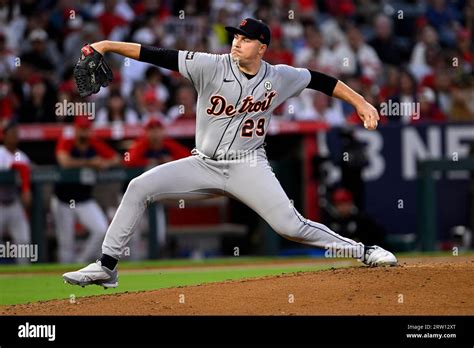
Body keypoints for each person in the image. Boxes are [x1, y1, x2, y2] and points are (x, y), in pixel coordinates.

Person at [64, 18, 397, 289]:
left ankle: (363, 251)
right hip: (203, 163)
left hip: (248, 165)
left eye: (246, 38)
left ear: (262, 47)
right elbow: (156, 54)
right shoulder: (209, 65)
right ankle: (107, 267)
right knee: (138, 187)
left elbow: (322, 80)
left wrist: (361, 102)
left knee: (290, 226)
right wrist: (106, 45)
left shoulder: (279, 76)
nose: (237, 41)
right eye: (236, 36)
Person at [53, 115, 121, 263]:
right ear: (76, 130)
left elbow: (116, 158)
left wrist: (105, 163)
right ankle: (65, 277)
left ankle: (81, 261)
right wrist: (90, 162)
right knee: (66, 244)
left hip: (84, 199)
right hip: (63, 199)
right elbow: (64, 162)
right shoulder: (67, 141)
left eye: (86, 129)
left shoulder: (93, 143)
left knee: (101, 229)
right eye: (81, 129)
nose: (84, 133)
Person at [0, 120, 32, 263]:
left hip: (14, 203)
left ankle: (24, 274)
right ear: (4, 136)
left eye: (16, 133)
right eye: (12, 133)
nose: (15, 136)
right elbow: (20, 167)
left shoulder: (22, 155)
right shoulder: (1, 153)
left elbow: (27, 167)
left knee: (23, 241)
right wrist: (26, 190)